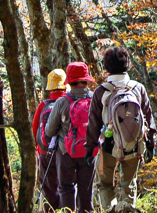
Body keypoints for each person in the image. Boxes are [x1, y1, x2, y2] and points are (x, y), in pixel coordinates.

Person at [85, 46, 154, 213]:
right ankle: (128, 209)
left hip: (108, 145)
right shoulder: (138, 88)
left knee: (105, 184)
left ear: (107, 67)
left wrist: (90, 148)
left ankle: (110, 210)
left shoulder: (101, 91)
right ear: (127, 65)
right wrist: (150, 143)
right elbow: (149, 118)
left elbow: (93, 123)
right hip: (133, 146)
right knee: (128, 184)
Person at [44, 62, 97, 213]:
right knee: (86, 188)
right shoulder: (94, 99)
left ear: (70, 81)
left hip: (66, 150)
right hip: (89, 150)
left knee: (66, 188)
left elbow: (49, 130)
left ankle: (68, 211)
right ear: (86, 80)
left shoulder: (62, 102)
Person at [33, 68, 67, 212]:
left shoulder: (43, 105)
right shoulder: (69, 102)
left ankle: (49, 210)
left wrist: (39, 148)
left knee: (48, 187)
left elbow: (35, 128)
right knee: (67, 186)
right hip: (67, 151)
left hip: (45, 151)